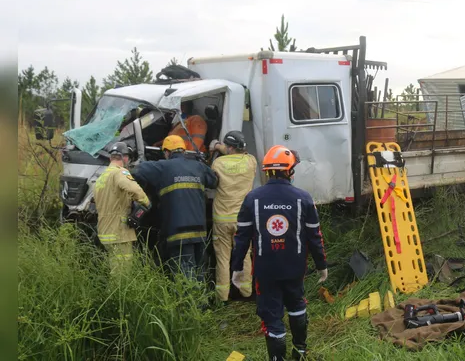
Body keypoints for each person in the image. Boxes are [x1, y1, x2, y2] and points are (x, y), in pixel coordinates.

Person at [232, 145, 328, 361]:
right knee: (297, 305)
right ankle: (300, 350)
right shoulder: (303, 198)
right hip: (295, 268)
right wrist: (322, 265)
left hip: (266, 271)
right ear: (289, 170)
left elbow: (241, 238)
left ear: (268, 171)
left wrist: (237, 268)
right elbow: (315, 237)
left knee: (272, 314)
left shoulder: (252, 199)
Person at [131, 135, 218, 281]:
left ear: (166, 152)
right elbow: (214, 181)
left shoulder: (161, 167)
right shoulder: (199, 166)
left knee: (185, 274)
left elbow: (137, 172)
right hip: (199, 231)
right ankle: (201, 303)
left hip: (177, 233)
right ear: (184, 150)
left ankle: (189, 304)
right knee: (200, 270)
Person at [208, 131, 257, 303]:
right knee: (244, 255)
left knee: (222, 258)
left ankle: (222, 296)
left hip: (222, 219)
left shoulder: (218, 164)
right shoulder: (251, 162)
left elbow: (212, 182)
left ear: (229, 147)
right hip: (242, 219)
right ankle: (246, 292)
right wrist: (222, 146)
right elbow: (238, 151)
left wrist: (215, 146)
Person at [93, 142, 151, 274]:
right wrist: (147, 203)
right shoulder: (120, 173)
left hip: (105, 231)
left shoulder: (102, 177)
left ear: (110, 158)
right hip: (119, 231)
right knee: (122, 273)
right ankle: (118, 295)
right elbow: (134, 189)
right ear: (125, 158)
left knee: (115, 267)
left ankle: (113, 293)